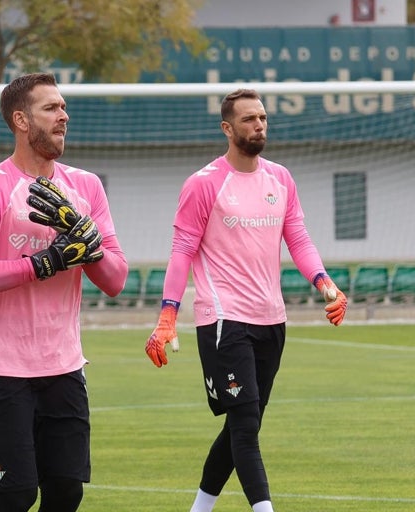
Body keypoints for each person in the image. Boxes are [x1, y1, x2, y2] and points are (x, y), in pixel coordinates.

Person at [143, 88, 348, 512]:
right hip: (223, 321)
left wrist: (324, 281)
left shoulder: (281, 179)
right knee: (245, 427)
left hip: (272, 321)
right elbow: (182, 252)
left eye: (263, 118)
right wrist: (168, 315)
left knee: (244, 423)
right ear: (227, 128)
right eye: (250, 119)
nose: (259, 125)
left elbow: (298, 238)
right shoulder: (203, 184)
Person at [0, 72, 128, 512]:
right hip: (2, 366)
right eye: (50, 108)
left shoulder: (86, 188)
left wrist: (87, 245)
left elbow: (115, 280)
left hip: (64, 364)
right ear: (20, 120)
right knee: (13, 495)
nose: (63, 116)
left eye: (64, 107)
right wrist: (45, 262)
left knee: (66, 491)